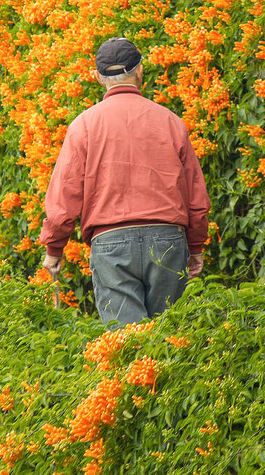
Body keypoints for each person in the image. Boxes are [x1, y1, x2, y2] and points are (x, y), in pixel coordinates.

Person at [40, 37, 210, 327]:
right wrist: (195, 247)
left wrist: (55, 249)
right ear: (140, 71)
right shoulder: (169, 121)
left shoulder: (84, 125)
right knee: (169, 338)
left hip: (111, 243)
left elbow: (64, 196)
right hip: (167, 239)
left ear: (97, 77)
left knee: (126, 342)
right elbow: (195, 195)